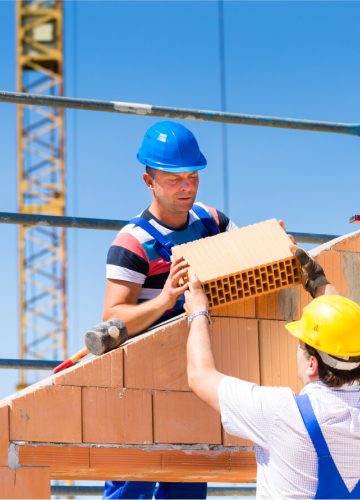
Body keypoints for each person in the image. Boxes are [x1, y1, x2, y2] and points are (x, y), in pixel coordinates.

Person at [184, 248, 360, 499]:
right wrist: (318, 283)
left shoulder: (281, 413)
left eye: (300, 344)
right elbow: (359, 334)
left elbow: (200, 376)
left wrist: (198, 311)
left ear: (312, 364)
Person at [102, 120, 236, 500]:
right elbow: (112, 317)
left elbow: (247, 259)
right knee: (132, 483)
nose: (187, 186)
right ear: (149, 181)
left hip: (195, 374)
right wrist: (164, 300)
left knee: (187, 481)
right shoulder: (133, 243)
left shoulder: (213, 223)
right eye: (174, 178)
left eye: (193, 176)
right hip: (142, 378)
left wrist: (272, 244)